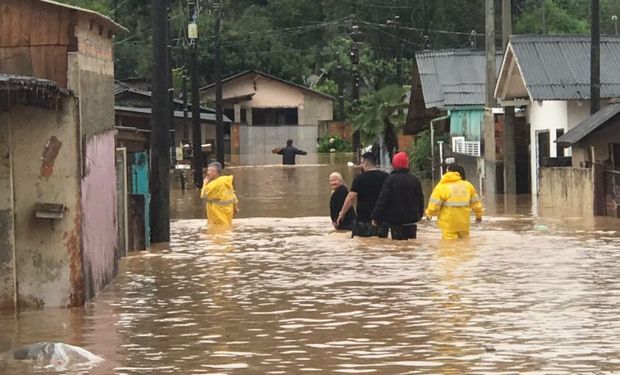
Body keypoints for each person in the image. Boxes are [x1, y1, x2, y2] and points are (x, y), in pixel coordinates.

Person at [370, 152, 424, 240]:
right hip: (411, 220)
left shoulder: (390, 180)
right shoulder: (414, 179)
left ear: (394, 164)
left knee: (398, 246)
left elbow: (383, 200)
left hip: (395, 220)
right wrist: (420, 214)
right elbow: (420, 199)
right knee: (411, 245)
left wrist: (375, 215)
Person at [425, 163, 484, 240]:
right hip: (464, 224)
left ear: (448, 172)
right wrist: (479, 215)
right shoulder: (468, 186)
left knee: (450, 248)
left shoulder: (441, 186)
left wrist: (429, 213)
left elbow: (434, 206)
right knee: (465, 247)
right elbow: (476, 204)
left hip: (448, 224)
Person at [337, 152, 389, 237]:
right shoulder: (386, 177)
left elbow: (351, 197)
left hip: (364, 221)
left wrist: (342, 213)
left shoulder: (360, 178)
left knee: (362, 246)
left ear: (365, 163)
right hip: (382, 220)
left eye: (361, 163)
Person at [200, 162, 238, 227]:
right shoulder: (226, 182)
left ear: (215, 172)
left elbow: (203, 195)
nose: (207, 173)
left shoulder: (214, 184)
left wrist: (205, 183)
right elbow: (234, 198)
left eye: (209, 171)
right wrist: (235, 208)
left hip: (217, 219)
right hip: (227, 217)